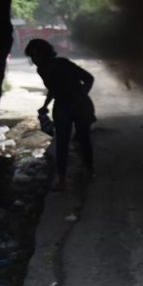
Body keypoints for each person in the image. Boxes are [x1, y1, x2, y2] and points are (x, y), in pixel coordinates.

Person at [25, 39, 95, 190]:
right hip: (64, 106)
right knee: (62, 143)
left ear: (45, 53)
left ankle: (87, 173)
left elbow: (89, 78)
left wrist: (80, 97)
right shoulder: (41, 70)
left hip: (77, 106)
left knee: (81, 139)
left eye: (36, 55)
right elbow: (54, 88)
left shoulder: (62, 63)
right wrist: (45, 105)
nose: (34, 59)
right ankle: (63, 179)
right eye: (32, 56)